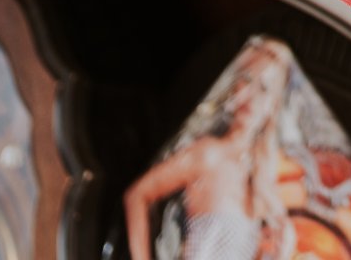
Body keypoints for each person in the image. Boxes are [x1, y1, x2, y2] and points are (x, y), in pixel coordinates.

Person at [125, 41, 295, 260]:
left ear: (273, 104)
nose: (251, 95)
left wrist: (281, 251)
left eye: (264, 88)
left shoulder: (263, 179)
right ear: (235, 85)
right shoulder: (208, 154)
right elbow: (137, 195)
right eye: (246, 79)